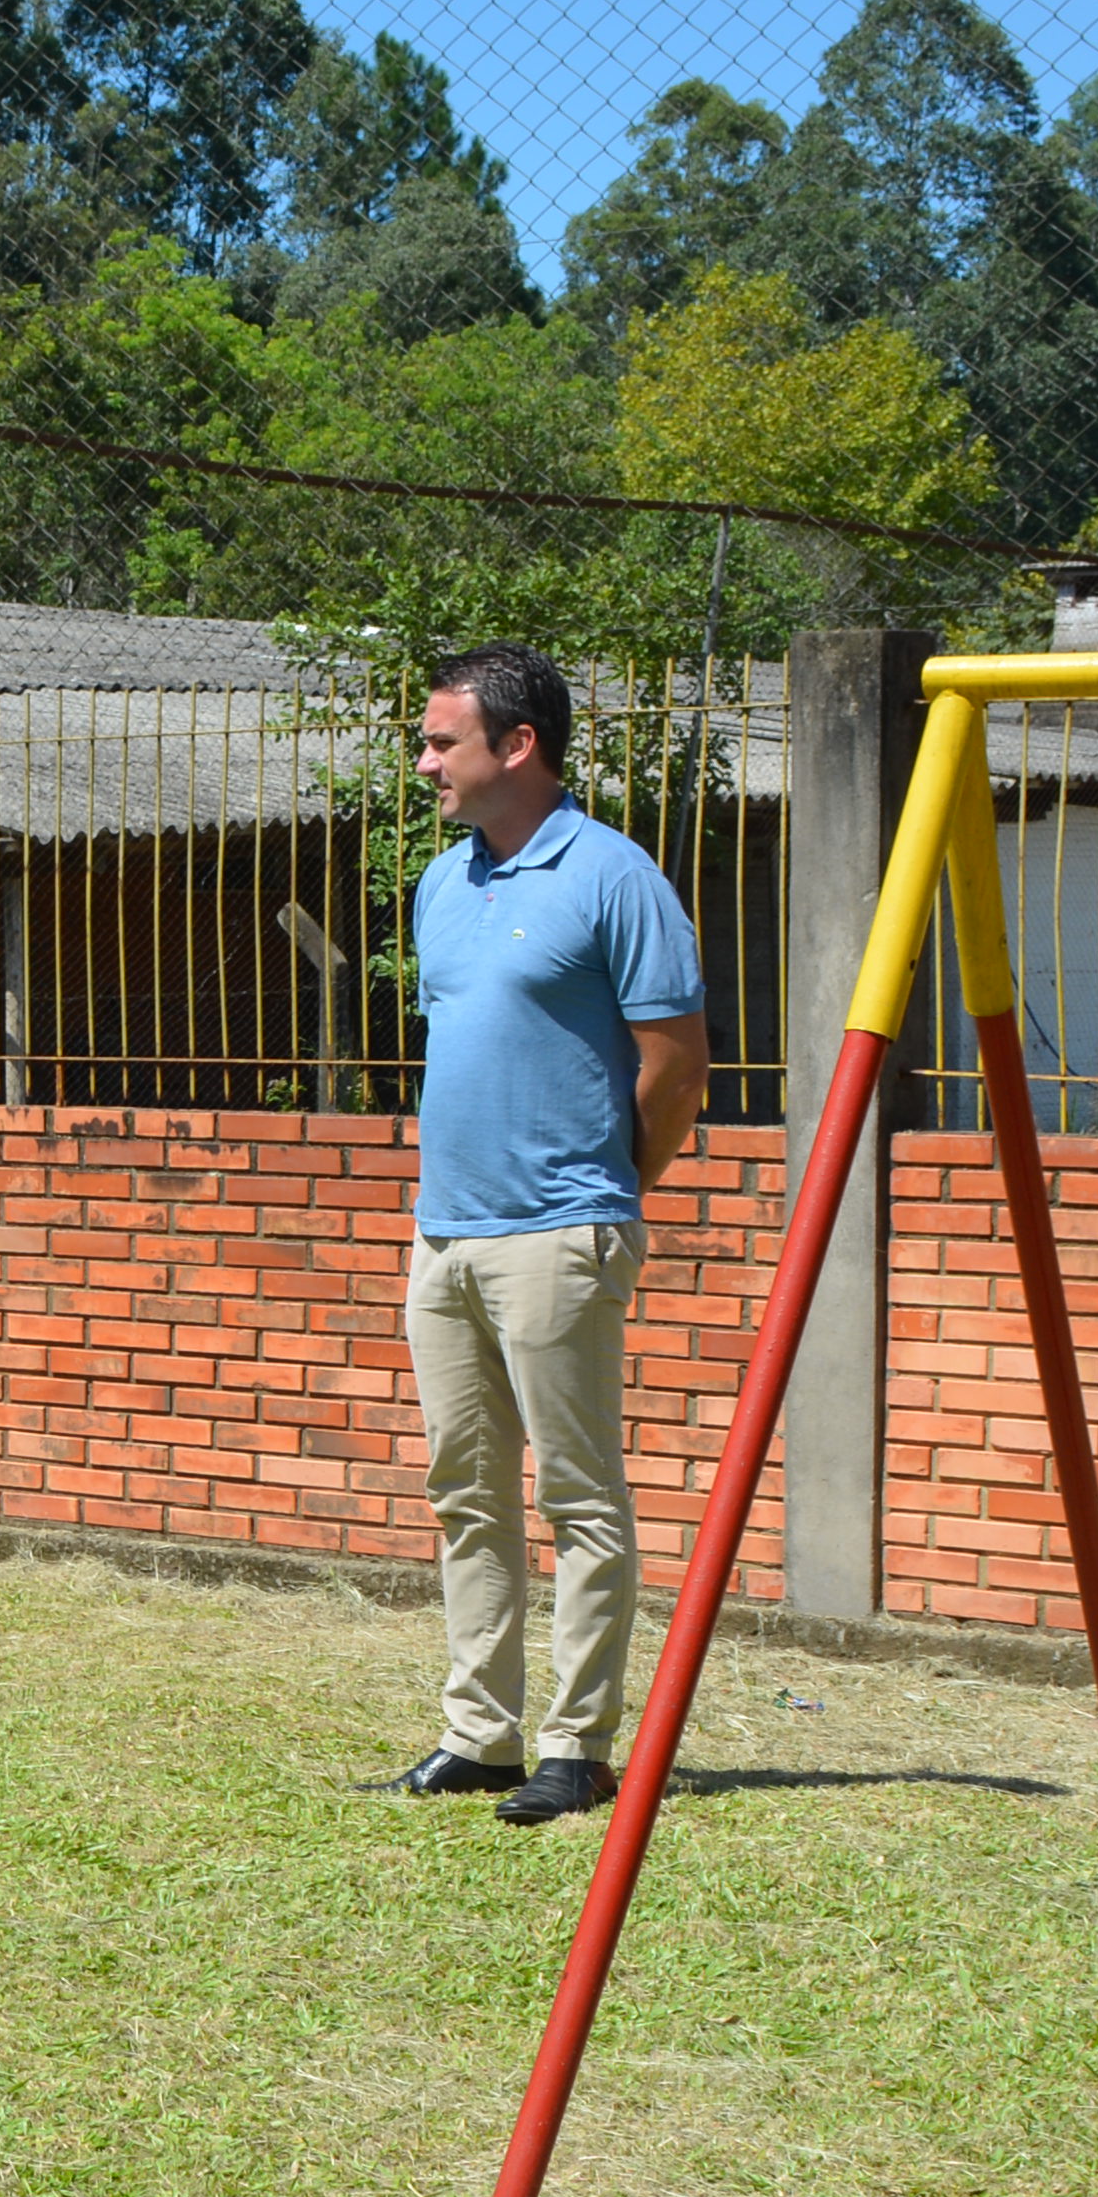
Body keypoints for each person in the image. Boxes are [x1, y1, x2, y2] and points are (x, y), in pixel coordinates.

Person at [387, 644, 708, 1821]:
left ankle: (577, 1746)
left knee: (579, 1497)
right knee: (466, 1492)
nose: (426, 763)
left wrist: (606, 1193)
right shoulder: (442, 883)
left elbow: (676, 1067)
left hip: (562, 1234)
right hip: (445, 1236)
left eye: (442, 742)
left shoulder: (614, 877)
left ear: (516, 745)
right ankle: (481, 1734)